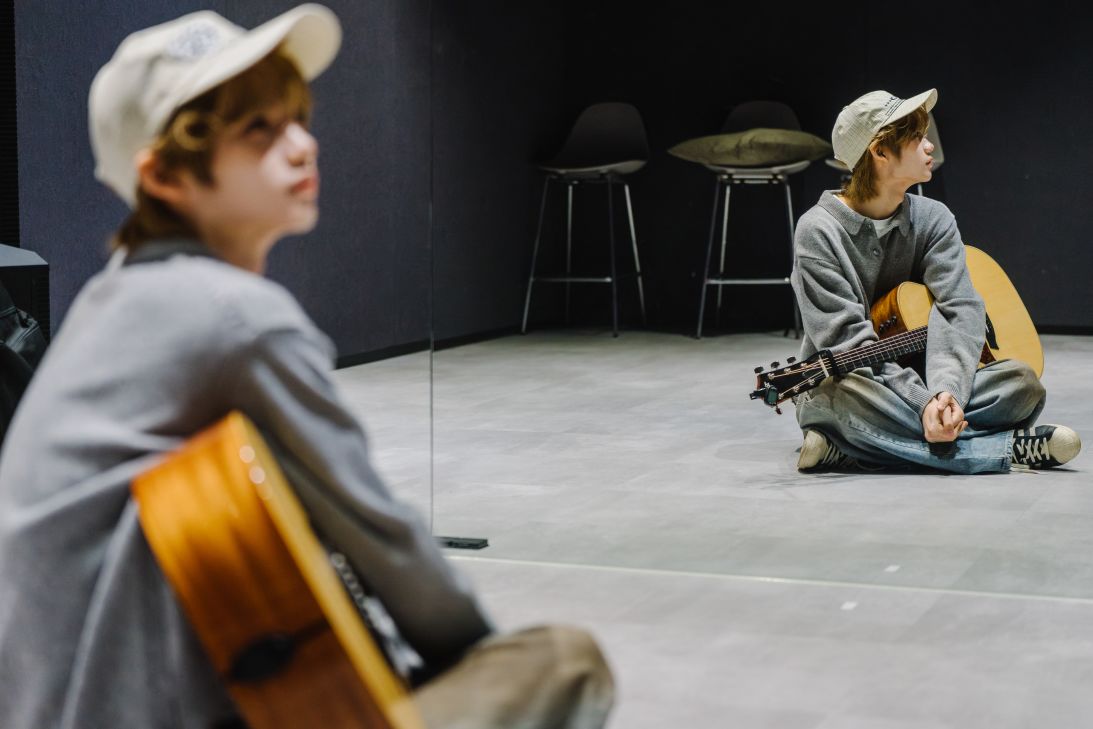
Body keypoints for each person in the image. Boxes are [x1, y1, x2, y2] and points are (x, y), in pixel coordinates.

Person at [0, 6, 614, 729]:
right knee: (562, 660)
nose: (302, 146)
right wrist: (472, 665)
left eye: (297, 118)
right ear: (164, 174)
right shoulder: (235, 316)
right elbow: (388, 546)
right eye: (259, 130)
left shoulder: (108, 304)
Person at [790, 88, 1081, 473]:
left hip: (929, 377)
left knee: (1022, 384)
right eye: (917, 138)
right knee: (835, 398)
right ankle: (1005, 449)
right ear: (880, 152)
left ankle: (853, 446)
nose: (929, 146)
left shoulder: (933, 218)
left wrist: (947, 395)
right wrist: (922, 402)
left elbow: (960, 306)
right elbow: (849, 344)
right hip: (855, 380)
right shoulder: (818, 231)